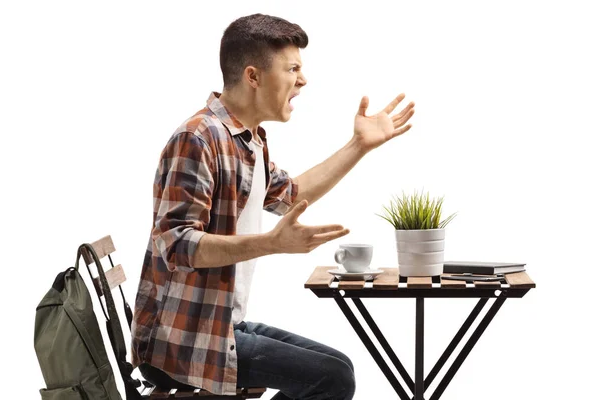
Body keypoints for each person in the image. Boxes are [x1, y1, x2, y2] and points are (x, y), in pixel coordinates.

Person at [131, 13, 414, 400]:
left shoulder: (247, 141)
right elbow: (178, 245)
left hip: (219, 324)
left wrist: (358, 146)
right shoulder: (198, 138)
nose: (303, 79)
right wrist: (271, 243)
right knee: (331, 379)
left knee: (339, 367)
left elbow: (291, 195)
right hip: (181, 340)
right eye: (293, 68)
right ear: (253, 76)